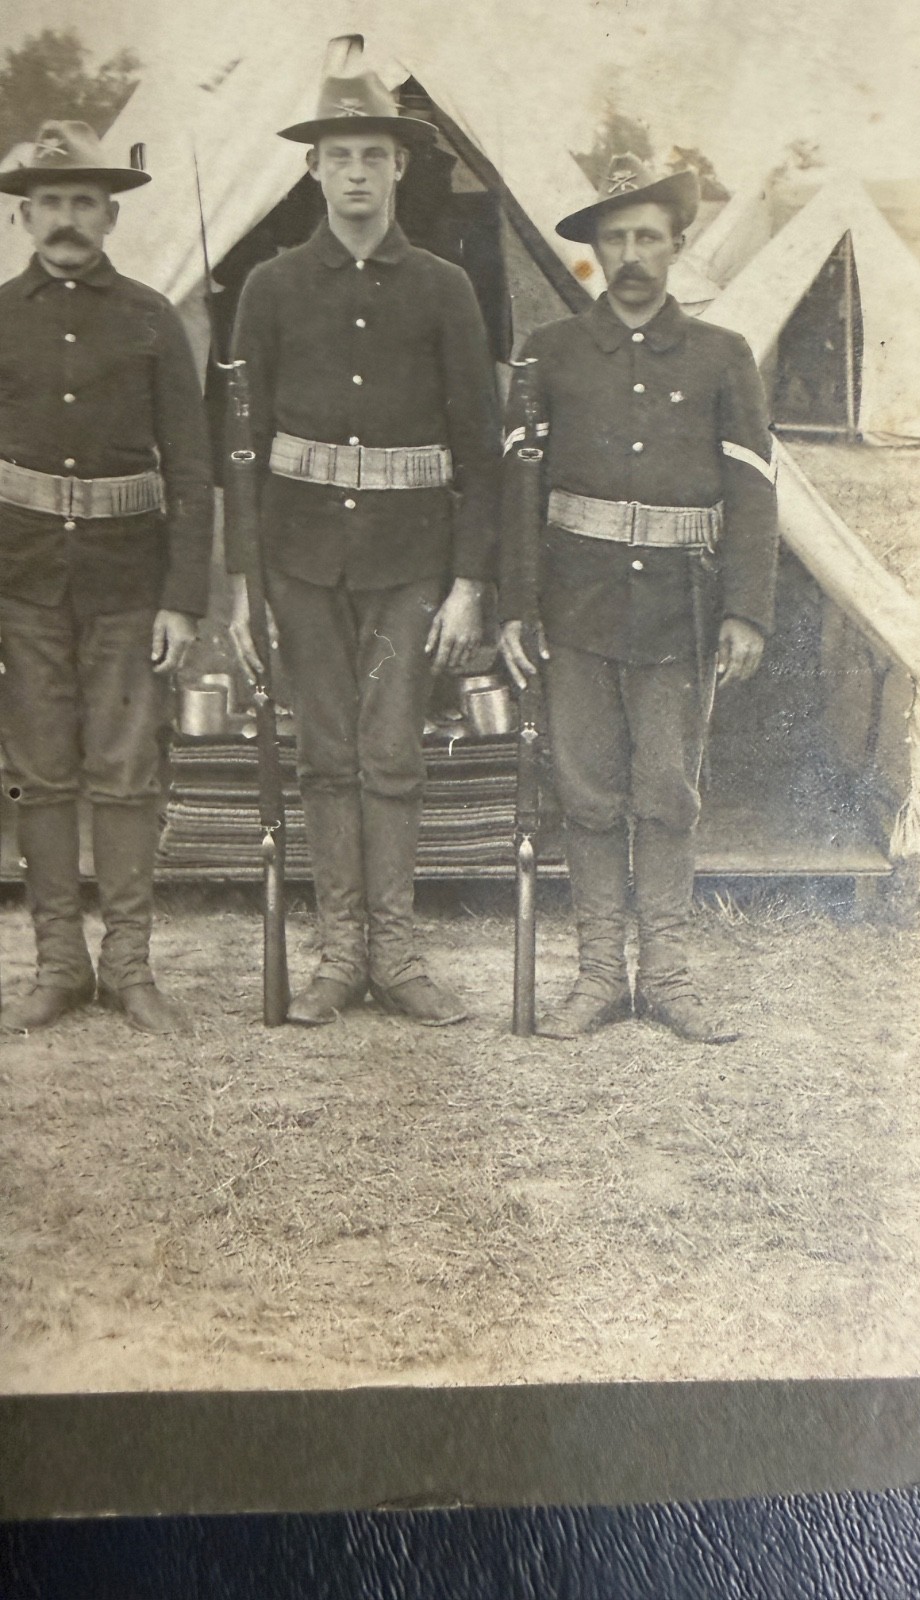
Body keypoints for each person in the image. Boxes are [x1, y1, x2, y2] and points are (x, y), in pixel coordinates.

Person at [229, 65, 501, 1027]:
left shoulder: (444, 288)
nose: (355, 172)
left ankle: (398, 954)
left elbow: (480, 450)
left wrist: (469, 582)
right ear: (311, 169)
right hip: (299, 559)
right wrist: (244, 582)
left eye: (372, 156)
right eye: (337, 155)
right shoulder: (269, 287)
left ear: (398, 169)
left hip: (410, 561)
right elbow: (241, 445)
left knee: (391, 751)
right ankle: (339, 957)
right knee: (324, 754)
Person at [499, 156, 779, 1044]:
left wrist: (746, 609)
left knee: (667, 791)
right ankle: (595, 979)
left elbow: (754, 491)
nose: (630, 254)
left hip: (677, 612)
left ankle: (666, 978)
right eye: (615, 238)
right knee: (586, 794)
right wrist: (517, 605)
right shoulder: (549, 352)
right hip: (575, 608)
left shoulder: (722, 355)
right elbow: (517, 486)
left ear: (676, 246)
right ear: (593, 251)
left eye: (647, 237)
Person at [0, 122, 213, 1035]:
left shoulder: (152, 319)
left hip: (129, 582)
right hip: (22, 578)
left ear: (112, 215)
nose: (67, 219)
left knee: (127, 772)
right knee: (39, 771)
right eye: (50, 201)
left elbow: (192, 467)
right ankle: (59, 965)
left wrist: (184, 599)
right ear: (23, 215)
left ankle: (129, 967)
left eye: (84, 202)